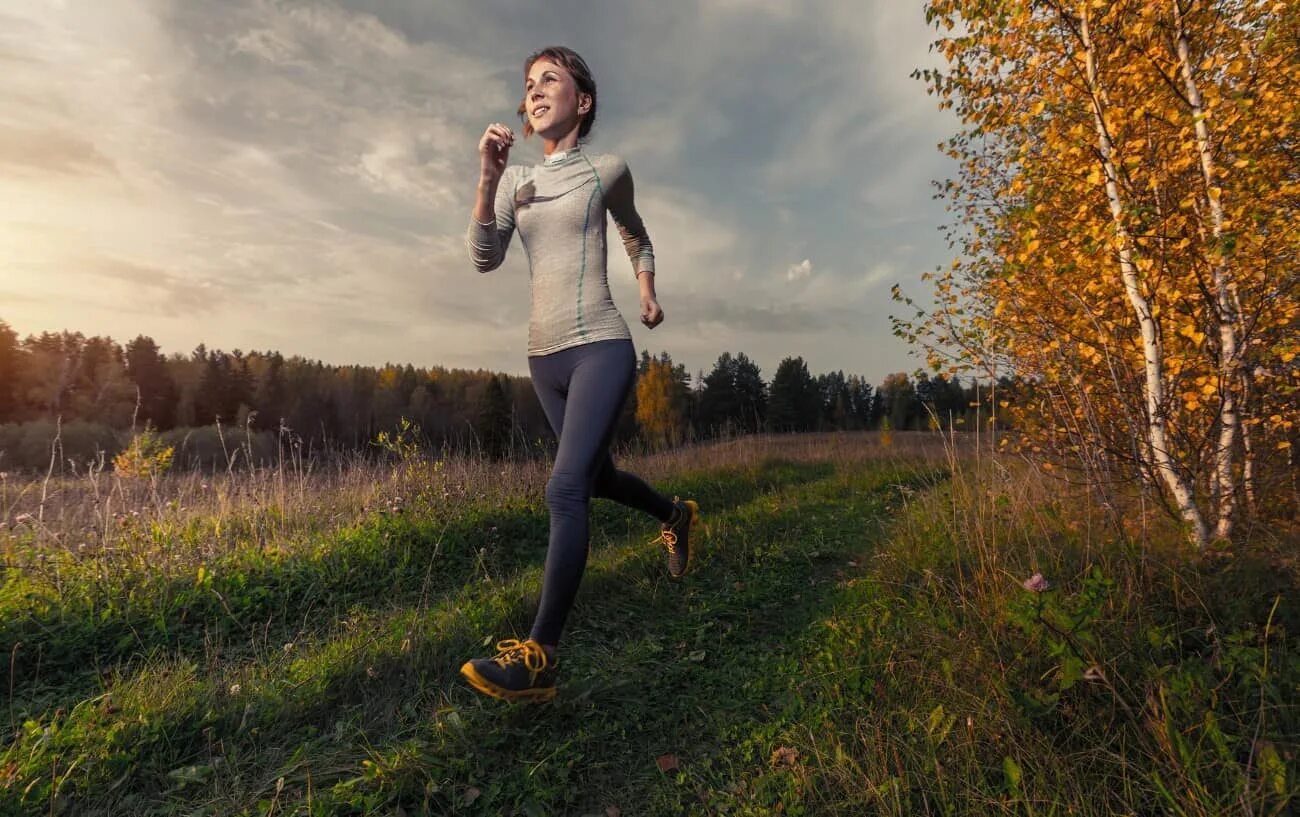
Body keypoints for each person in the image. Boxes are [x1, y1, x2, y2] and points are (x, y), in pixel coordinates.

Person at [460, 46, 700, 703]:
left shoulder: (607, 169)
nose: (535, 92)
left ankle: (540, 655)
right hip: (545, 357)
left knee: (565, 487)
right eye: (528, 84)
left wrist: (646, 291)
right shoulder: (514, 182)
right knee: (598, 478)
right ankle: (675, 513)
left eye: (550, 81)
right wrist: (487, 178)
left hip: (602, 345)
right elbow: (484, 258)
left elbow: (636, 235)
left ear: (582, 101)